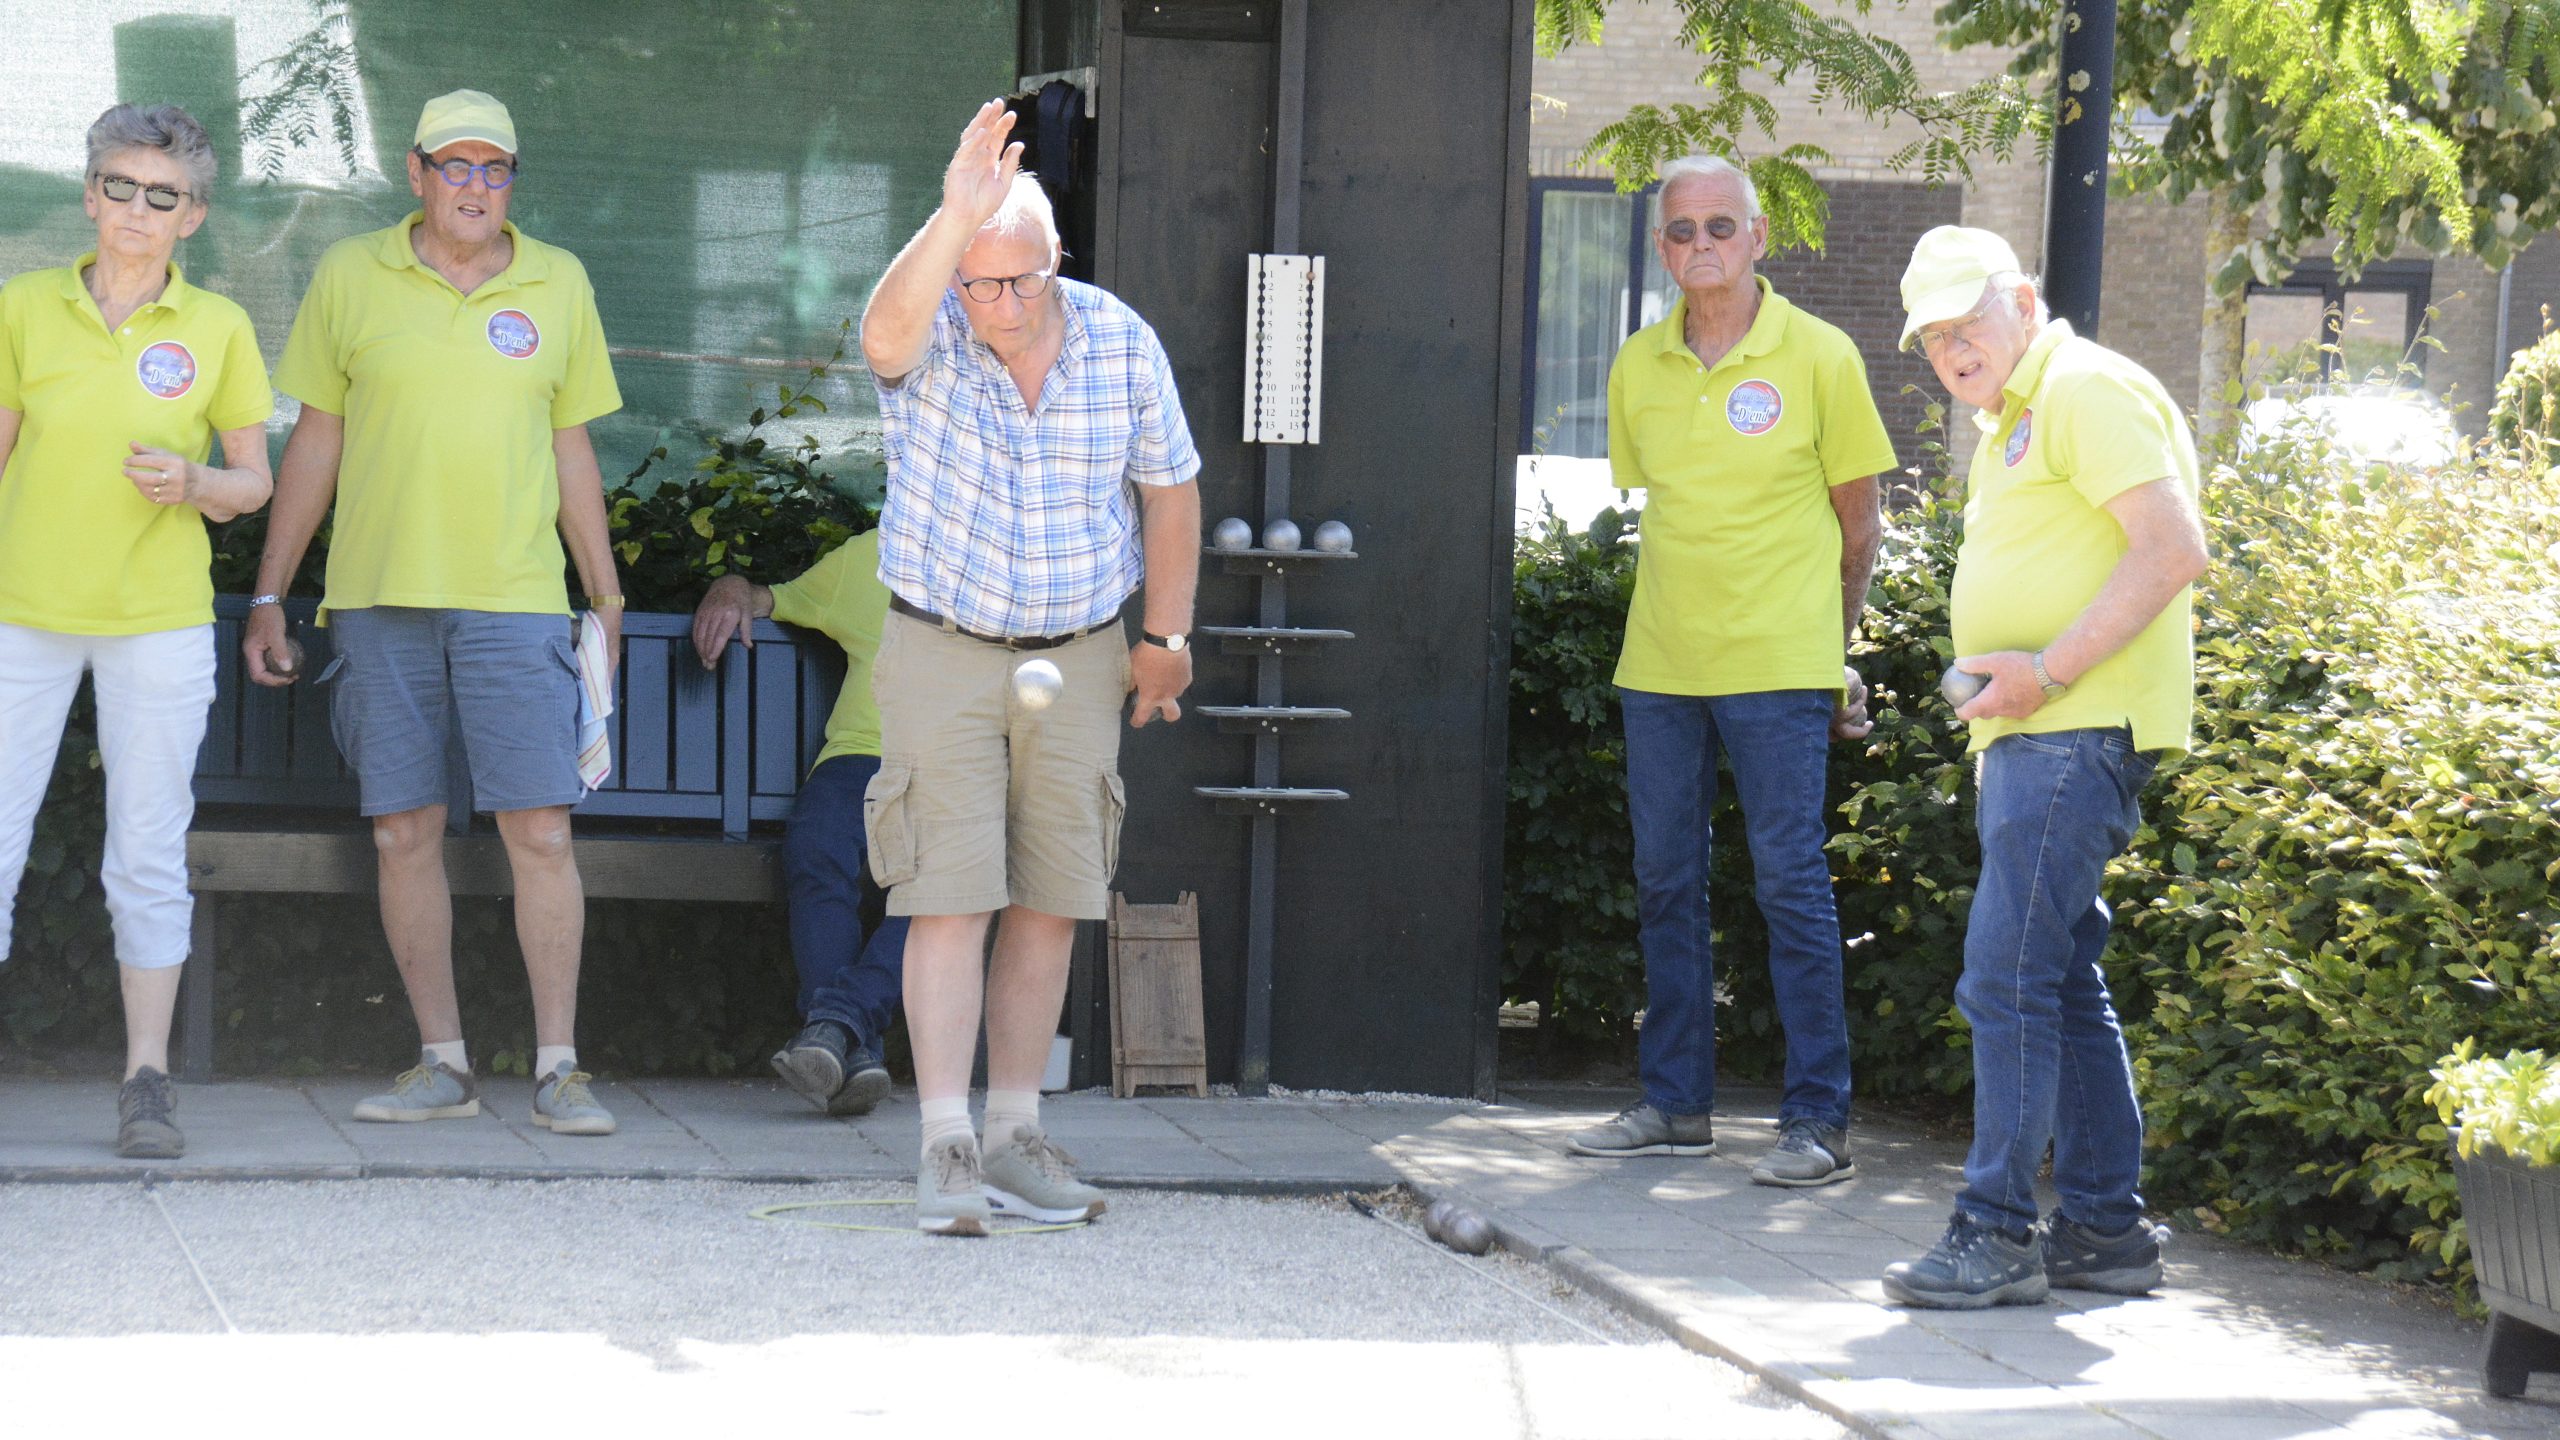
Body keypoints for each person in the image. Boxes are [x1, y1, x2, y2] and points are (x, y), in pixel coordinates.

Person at [245, 89, 625, 1135]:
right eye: (455, 166)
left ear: (511, 182)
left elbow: (572, 446)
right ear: (414, 173)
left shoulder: (559, 280)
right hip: (377, 599)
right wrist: (271, 592)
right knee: (402, 831)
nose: (475, 186)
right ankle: (443, 1064)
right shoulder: (349, 272)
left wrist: (605, 595)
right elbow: (315, 439)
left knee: (540, 831)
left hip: (516, 600)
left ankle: (560, 1069)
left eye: (494, 169)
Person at [859, 100, 1199, 1235]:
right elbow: (881, 341)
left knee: (1053, 899)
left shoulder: (1120, 339)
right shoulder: (933, 317)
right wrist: (952, 221)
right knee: (948, 899)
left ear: (1059, 264)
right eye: (981, 282)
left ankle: (1013, 1136)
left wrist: (1165, 641)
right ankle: (944, 1145)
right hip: (943, 645)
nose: (1000, 304)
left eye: (1022, 281)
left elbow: (1170, 491)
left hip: (1080, 651)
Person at [1880, 226, 2208, 1308]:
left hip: (2074, 727)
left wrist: (2048, 677)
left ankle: (1996, 1231)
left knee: (2005, 978)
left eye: (1966, 323)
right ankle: (2106, 1233)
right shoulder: (2018, 413)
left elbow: (2173, 549)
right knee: (2057, 978)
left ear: (2023, 300)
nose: (1951, 350)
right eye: (1932, 338)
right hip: (2043, 735)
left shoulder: (2081, 389)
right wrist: (2008, 722)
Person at [1566, 154, 1894, 1188]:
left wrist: (1832, 656)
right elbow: (1668, 507)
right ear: (1660, 248)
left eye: (1720, 226)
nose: (1700, 244)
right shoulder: (1637, 363)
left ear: (1757, 236)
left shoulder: (1822, 354)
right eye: (1681, 230)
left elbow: (1860, 529)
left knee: (1789, 885)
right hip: (1660, 664)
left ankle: (1819, 1124)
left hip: (1779, 665)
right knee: (1665, 884)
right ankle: (1676, 1106)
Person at [0, 104, 274, 1159]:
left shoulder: (220, 327)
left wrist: (197, 481)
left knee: (148, 853)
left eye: (164, 195)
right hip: (19, 614)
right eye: (119, 185)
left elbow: (252, 482)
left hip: (156, 623)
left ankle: (146, 1081)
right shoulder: (22, 307)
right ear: (88, 195)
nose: (137, 209)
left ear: (192, 217)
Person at [691, 528, 908, 1116]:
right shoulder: (875, 553)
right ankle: (852, 1048)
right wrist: (730, 587)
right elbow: (769, 598)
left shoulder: (1007, 563)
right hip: (858, 758)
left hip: (954, 768)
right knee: (817, 847)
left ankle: (834, 1027)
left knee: (945, 890)